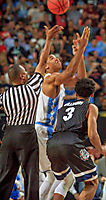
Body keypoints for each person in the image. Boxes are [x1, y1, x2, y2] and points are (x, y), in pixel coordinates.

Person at [0, 25, 64, 200]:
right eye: (25, 72)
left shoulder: (4, 96)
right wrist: (48, 38)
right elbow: (42, 62)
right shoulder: (32, 86)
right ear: (22, 77)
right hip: (26, 132)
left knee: (5, 176)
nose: (28, 74)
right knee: (30, 174)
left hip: (8, 135)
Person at [35, 27, 90, 200]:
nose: (56, 58)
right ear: (47, 68)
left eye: (57, 56)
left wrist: (79, 56)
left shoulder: (58, 82)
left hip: (49, 133)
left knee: (54, 177)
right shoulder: (49, 78)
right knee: (67, 178)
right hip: (44, 130)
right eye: (52, 58)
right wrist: (80, 49)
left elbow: (82, 82)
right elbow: (69, 72)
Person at [47, 77, 106, 200]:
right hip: (71, 142)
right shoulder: (91, 107)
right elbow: (92, 135)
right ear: (92, 94)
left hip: (53, 143)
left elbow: (55, 130)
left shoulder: (62, 109)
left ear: (76, 93)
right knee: (92, 183)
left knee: (66, 181)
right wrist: (101, 149)